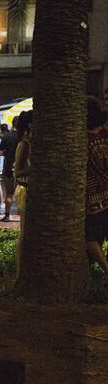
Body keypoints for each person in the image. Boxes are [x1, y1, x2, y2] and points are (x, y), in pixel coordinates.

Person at [85, 96, 108, 275]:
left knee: (90, 236)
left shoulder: (82, 139)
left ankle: (106, 270)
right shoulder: (106, 132)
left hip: (93, 194)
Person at [13, 110, 33, 280]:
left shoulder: (33, 142)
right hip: (25, 189)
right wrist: (36, 166)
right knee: (25, 234)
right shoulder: (25, 144)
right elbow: (17, 172)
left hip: (31, 189)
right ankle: (19, 274)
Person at [0, 116, 19, 221]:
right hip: (24, 168)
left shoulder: (6, 136)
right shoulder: (25, 137)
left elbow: (0, 152)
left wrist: (8, 153)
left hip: (8, 167)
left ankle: (7, 215)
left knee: (9, 194)